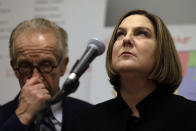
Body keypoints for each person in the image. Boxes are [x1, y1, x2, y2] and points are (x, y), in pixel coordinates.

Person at [69, 9, 196, 131]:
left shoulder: (190, 117)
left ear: (161, 51)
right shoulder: (86, 123)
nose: (126, 39)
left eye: (141, 33)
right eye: (120, 34)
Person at [0, 18, 92, 131]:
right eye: (25, 66)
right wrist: (22, 116)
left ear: (63, 66)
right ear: (15, 68)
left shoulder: (91, 116)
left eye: (46, 65)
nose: (35, 77)